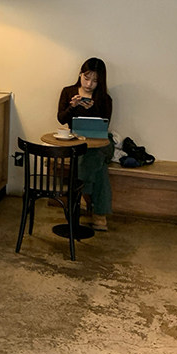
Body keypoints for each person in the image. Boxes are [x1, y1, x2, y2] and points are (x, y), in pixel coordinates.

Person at [57, 57, 114, 231]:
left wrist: (93, 109)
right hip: (78, 140)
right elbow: (61, 119)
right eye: (86, 78)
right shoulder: (68, 92)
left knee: (91, 153)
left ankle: (81, 193)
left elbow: (104, 126)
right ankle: (99, 216)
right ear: (80, 74)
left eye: (95, 81)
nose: (89, 84)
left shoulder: (105, 98)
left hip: (101, 142)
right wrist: (73, 106)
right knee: (99, 167)